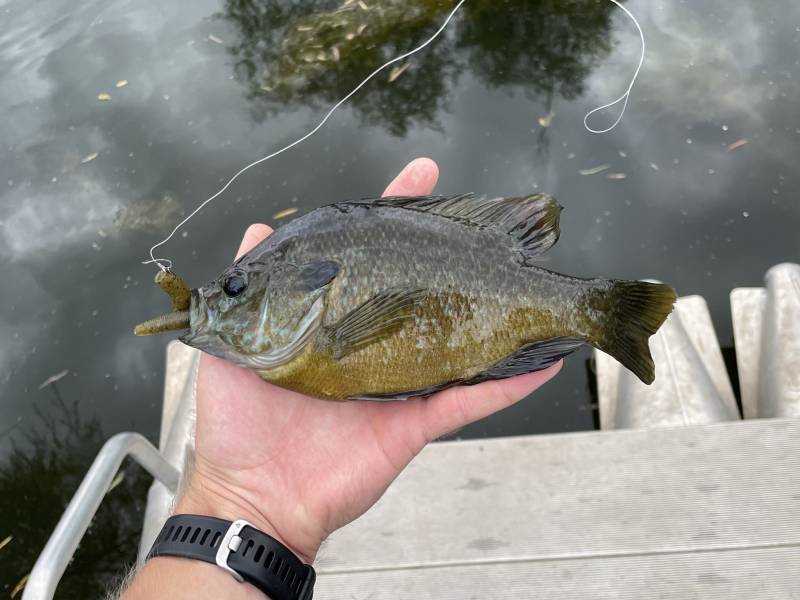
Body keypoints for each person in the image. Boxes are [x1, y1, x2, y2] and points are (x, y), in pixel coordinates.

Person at [120, 158, 561, 599]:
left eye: (235, 288)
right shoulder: (302, 347)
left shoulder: (313, 345)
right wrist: (243, 502)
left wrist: (236, 506)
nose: (222, 299)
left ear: (308, 288)